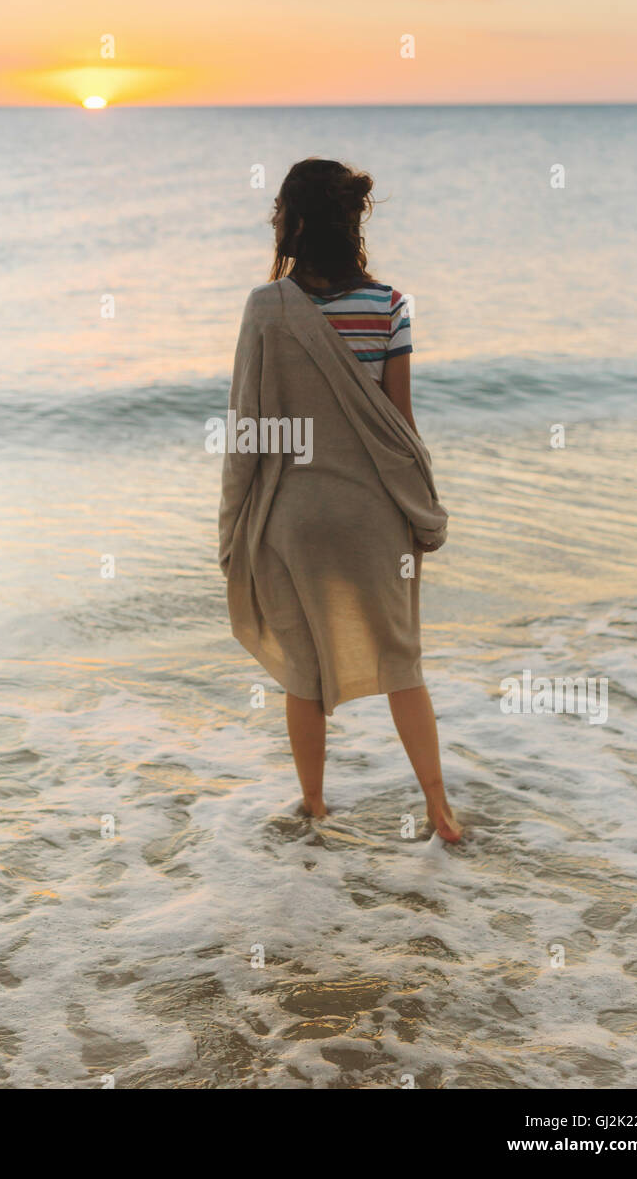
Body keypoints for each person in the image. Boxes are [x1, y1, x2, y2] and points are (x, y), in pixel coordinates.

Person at [219, 158, 461, 842]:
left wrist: (232, 529)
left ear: (292, 223)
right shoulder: (390, 306)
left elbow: (248, 433)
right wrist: (423, 514)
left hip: (293, 521)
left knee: (303, 668)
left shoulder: (266, 309)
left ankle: (317, 808)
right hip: (373, 518)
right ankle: (441, 814)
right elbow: (399, 429)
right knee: (402, 662)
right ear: (352, 223)